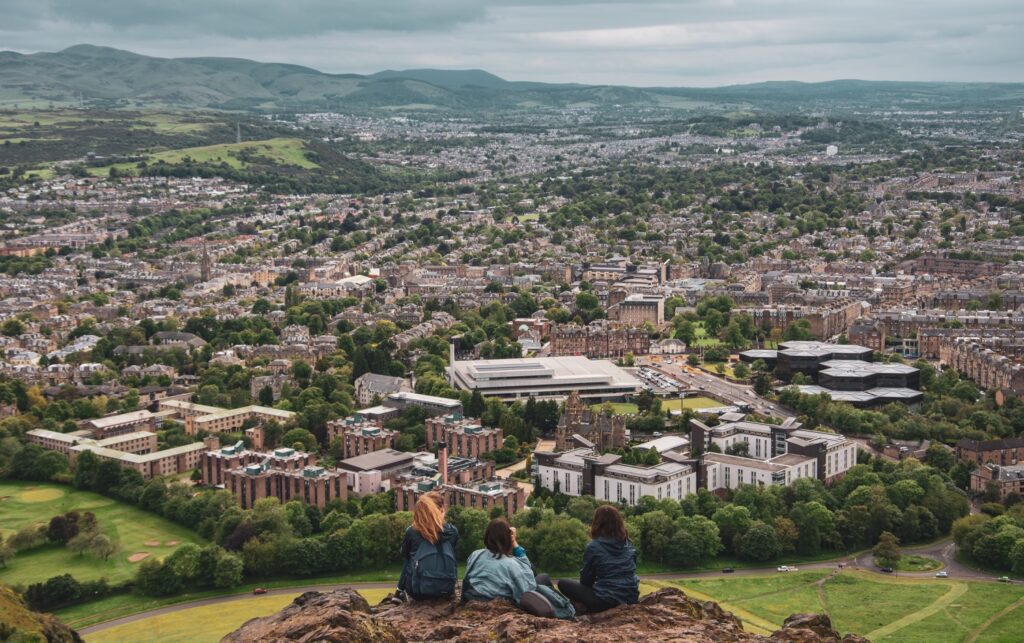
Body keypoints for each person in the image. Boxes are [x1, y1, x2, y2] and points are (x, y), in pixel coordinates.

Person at [461, 518, 560, 618]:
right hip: (498, 600)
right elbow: (527, 589)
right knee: (544, 577)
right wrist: (514, 542)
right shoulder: (511, 565)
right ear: (507, 538)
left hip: (474, 596)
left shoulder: (475, 555)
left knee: (540, 577)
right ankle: (559, 606)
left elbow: (466, 580)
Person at [557, 505, 638, 614]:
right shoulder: (629, 543)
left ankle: (582, 609)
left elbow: (586, 580)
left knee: (563, 583)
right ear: (619, 522)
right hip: (631, 598)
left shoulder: (594, 547)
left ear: (597, 523)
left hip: (605, 601)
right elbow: (631, 570)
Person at [394, 491, 459, 602]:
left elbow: (405, 555)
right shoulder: (453, 531)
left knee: (409, 559)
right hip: (446, 590)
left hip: (418, 593)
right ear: (442, 509)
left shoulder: (412, 531)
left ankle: (399, 591)